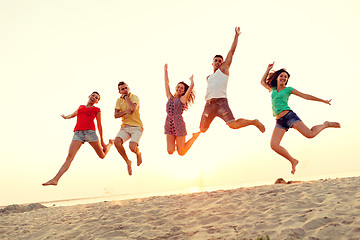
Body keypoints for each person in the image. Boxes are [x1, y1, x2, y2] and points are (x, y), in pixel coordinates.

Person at [260, 61, 341, 174]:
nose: (283, 78)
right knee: (274, 145)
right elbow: (262, 82)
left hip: (289, 116)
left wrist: (323, 100)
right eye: (281, 76)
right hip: (279, 121)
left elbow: (305, 96)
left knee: (310, 134)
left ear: (287, 80)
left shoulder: (289, 90)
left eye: (286, 77)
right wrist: (268, 69)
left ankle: (325, 124)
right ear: (277, 78)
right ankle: (293, 160)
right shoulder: (272, 89)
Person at [199, 27, 265, 134]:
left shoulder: (224, 69)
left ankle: (254, 122)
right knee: (202, 129)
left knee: (233, 125)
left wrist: (236, 36)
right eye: (215, 61)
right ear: (212, 63)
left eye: (220, 61)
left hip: (221, 103)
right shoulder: (208, 77)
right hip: (209, 105)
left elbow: (232, 51)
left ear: (223, 63)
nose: (217, 62)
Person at [42, 92, 113, 186]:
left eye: (96, 97)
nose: (94, 97)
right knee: (69, 157)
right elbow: (73, 114)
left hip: (90, 133)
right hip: (78, 134)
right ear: (89, 96)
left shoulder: (97, 109)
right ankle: (55, 180)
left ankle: (110, 144)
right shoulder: (81, 107)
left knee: (102, 155)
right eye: (93, 95)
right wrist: (65, 117)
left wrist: (102, 140)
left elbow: (99, 125)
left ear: (97, 101)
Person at [164, 63, 201, 155]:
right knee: (170, 151)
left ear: (184, 91)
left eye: (182, 88)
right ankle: (178, 143)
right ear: (176, 87)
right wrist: (165, 71)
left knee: (181, 152)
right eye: (178, 87)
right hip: (168, 124)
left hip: (178, 124)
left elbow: (191, 86)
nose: (179, 89)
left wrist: (191, 81)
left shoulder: (182, 99)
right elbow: (166, 83)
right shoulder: (170, 97)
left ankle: (194, 137)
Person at [114, 81, 143, 176]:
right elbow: (116, 115)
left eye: (126, 88)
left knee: (132, 147)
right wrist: (125, 111)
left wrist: (126, 97)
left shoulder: (134, 97)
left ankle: (138, 153)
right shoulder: (118, 101)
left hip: (136, 127)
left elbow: (133, 109)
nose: (125, 90)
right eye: (122, 89)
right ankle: (128, 162)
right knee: (116, 142)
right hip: (125, 127)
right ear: (119, 91)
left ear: (129, 88)